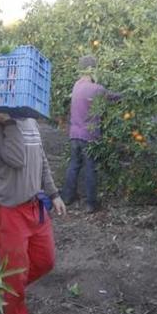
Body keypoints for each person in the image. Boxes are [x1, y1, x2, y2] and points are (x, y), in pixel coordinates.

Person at [0, 110, 66, 314]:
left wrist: (53, 193)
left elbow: (41, 159)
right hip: (8, 212)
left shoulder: (29, 121)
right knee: (15, 276)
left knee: (45, 261)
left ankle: (2, 295)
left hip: (34, 206)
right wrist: (6, 120)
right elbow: (16, 159)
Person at [61, 55, 118, 213]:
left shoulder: (76, 86)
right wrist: (129, 94)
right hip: (89, 136)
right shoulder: (97, 89)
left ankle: (67, 197)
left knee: (73, 165)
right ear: (93, 70)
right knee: (90, 168)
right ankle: (90, 203)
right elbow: (112, 97)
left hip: (74, 134)